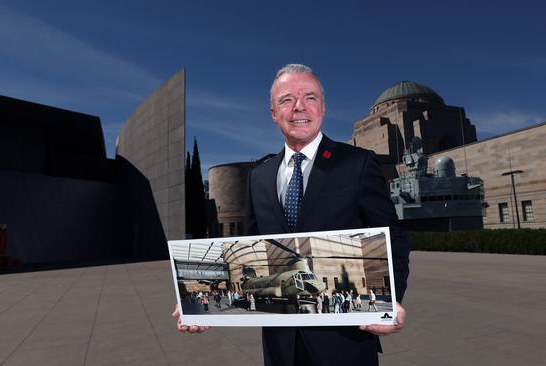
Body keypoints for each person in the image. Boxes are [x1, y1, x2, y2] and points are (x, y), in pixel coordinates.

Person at [173, 63, 410, 365]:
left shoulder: (358, 163)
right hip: (280, 346)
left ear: (322, 108)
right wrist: (192, 301)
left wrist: (395, 298)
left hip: (346, 344)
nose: (299, 107)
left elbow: (394, 236)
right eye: (287, 99)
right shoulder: (259, 176)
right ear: (274, 113)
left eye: (309, 97)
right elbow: (248, 247)